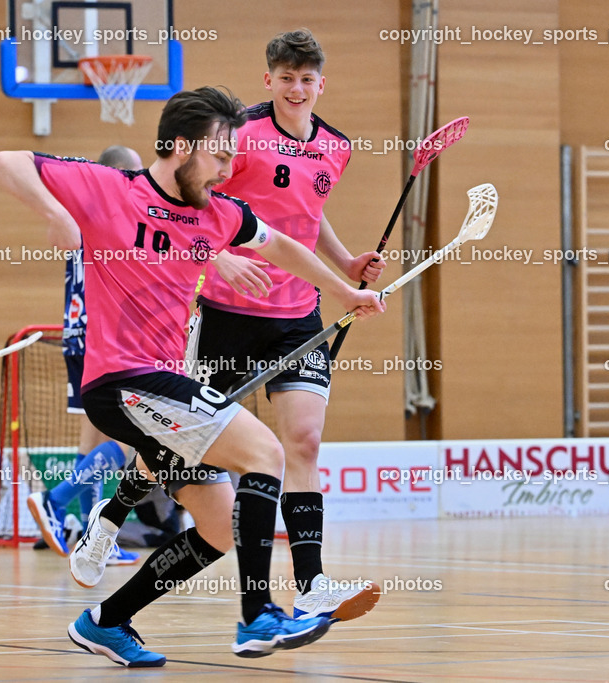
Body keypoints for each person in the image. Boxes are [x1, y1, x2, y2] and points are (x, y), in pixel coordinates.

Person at [0, 86, 385, 666]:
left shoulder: (217, 214)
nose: (228, 169)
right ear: (179, 147)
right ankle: (257, 616)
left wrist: (345, 290)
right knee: (266, 452)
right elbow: (5, 161)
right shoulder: (109, 188)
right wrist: (55, 214)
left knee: (221, 525)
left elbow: (281, 247)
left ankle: (107, 620)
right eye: (220, 155)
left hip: (163, 385)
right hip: (122, 378)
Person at [71, 28, 386, 624]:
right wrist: (217, 256)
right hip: (225, 311)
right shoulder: (236, 131)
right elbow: (187, 203)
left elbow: (306, 219)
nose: (297, 88)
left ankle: (311, 583)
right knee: (186, 444)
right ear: (268, 79)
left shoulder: (336, 147)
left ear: (322, 83)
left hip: (296, 314)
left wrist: (343, 267)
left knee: (304, 442)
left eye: (307, 79)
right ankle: (111, 517)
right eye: (286, 78)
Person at [26, 146, 143, 568]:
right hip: (106, 337)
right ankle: (56, 501)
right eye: (135, 172)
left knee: (93, 439)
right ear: (117, 175)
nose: (142, 179)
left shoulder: (82, 214)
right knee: (132, 442)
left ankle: (96, 538)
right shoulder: (118, 213)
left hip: (79, 335)